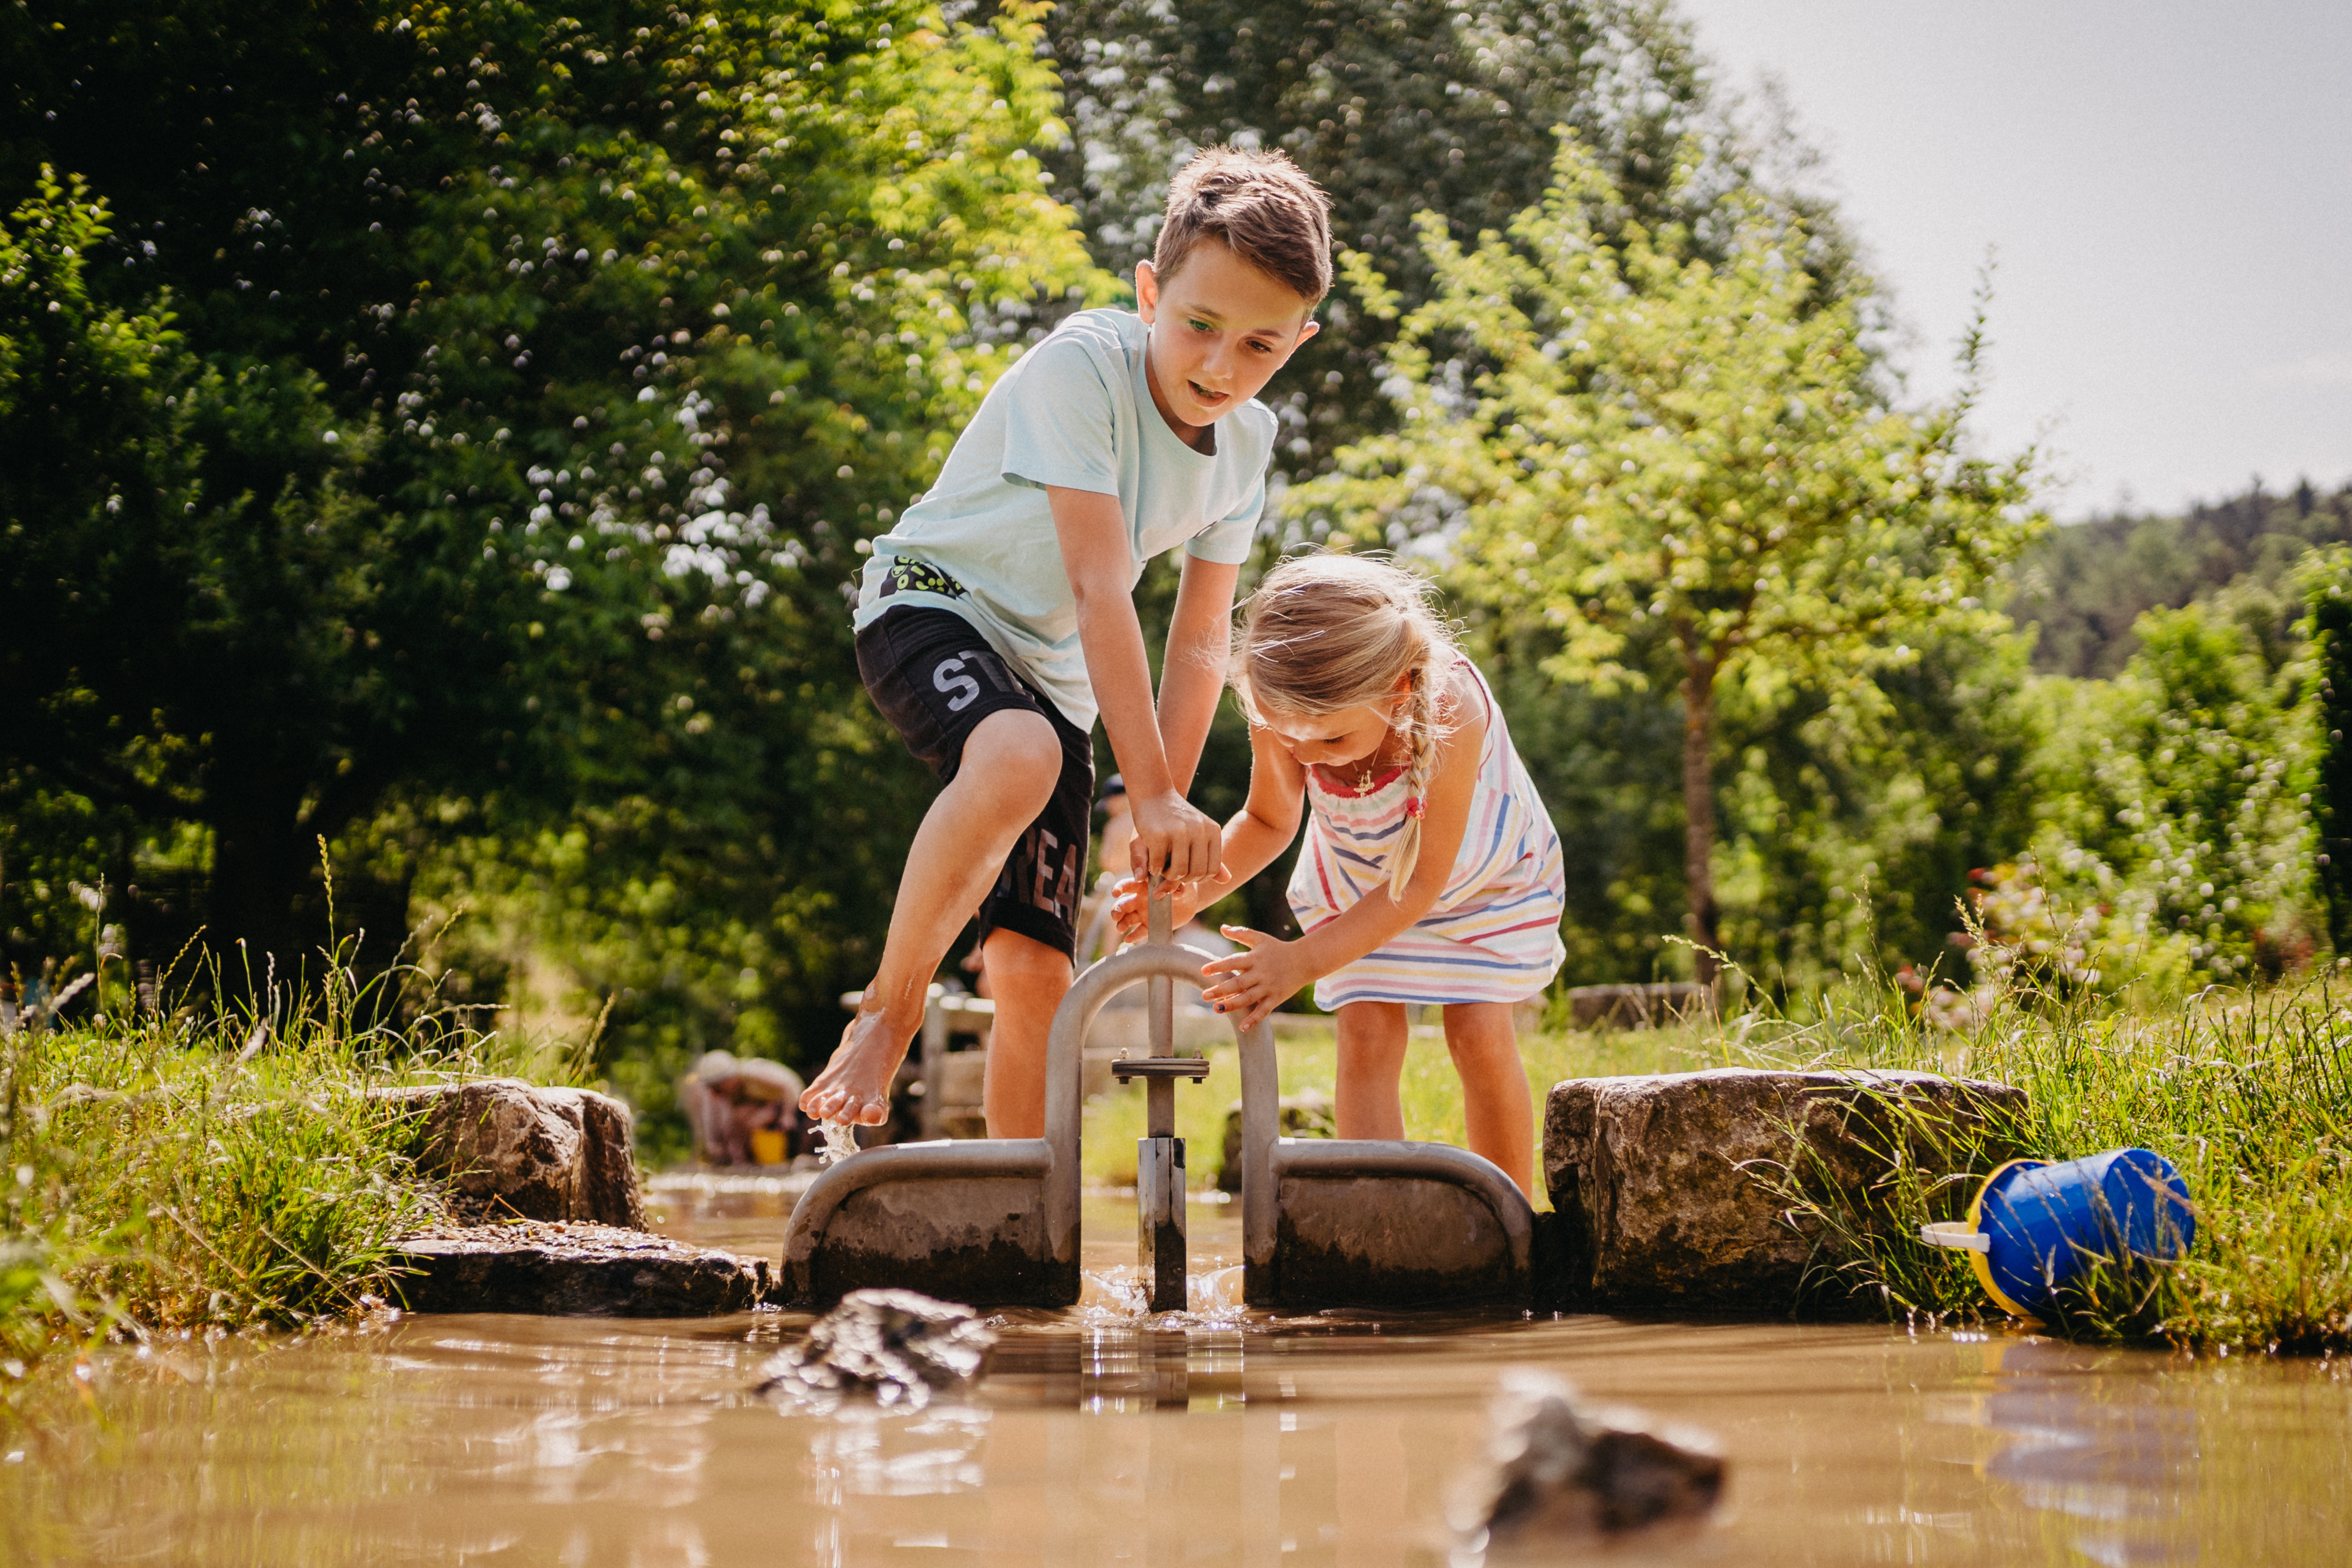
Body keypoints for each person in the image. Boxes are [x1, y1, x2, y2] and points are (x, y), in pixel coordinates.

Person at [798, 147, 1334, 1136]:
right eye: (1199, 326)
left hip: (1055, 680)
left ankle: (1027, 1239)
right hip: (932, 603)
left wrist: (1156, 814)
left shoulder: (1247, 449)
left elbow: (1200, 637)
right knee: (1018, 752)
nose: (1220, 365)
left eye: (1258, 346)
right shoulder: (1079, 368)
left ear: (1298, 341)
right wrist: (1163, 794)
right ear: (1149, 293)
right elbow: (1099, 587)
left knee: (1037, 976)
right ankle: (890, 1006)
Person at [1113, 554, 1565, 1197]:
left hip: (1473, 880)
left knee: (1477, 1030)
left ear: (1397, 693)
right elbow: (1270, 820)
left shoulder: (1448, 708)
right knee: (1364, 1033)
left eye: (1328, 742)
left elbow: (1419, 882)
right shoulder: (1287, 707)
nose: (1302, 753)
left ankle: (1509, 1219)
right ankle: (1377, 1221)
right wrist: (1195, 896)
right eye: (1285, 735)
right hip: (1359, 881)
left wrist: (1299, 962)